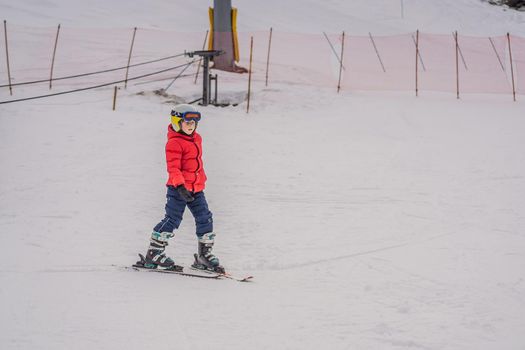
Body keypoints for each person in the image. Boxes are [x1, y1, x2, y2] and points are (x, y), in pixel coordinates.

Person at [138, 104, 224, 273]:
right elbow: (173, 167)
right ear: (177, 123)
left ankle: (204, 256)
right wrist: (180, 185)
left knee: (205, 218)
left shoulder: (197, 138)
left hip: (196, 188)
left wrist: (200, 181)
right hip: (179, 189)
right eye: (187, 122)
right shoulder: (174, 142)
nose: (191, 126)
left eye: (193, 123)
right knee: (172, 219)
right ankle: (154, 252)